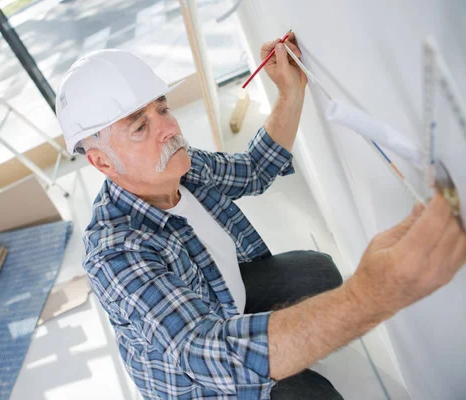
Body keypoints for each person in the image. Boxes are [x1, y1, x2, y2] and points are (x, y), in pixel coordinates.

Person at [55, 34, 466, 399]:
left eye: (161, 108)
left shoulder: (179, 165)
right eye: (140, 127)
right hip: (202, 384)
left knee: (318, 273)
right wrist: (374, 294)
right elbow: (208, 351)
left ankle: (274, 342)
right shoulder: (115, 252)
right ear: (102, 163)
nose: (167, 128)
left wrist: (290, 92)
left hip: (219, 300)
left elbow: (253, 169)